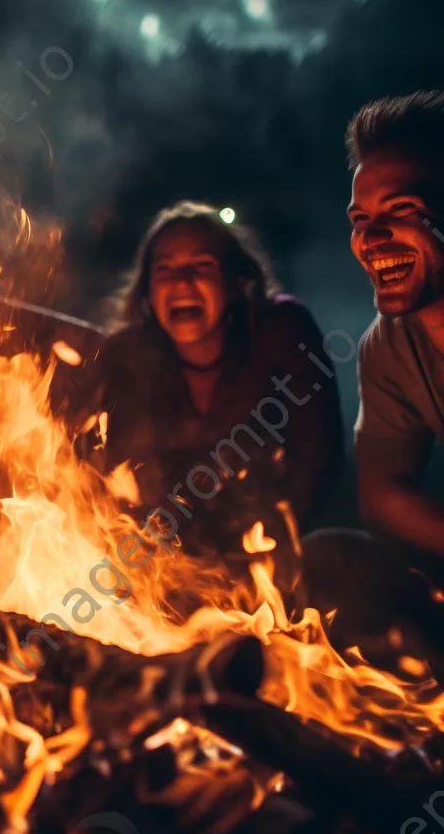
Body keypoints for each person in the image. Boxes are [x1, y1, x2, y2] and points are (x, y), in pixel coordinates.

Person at [84, 202, 344, 574]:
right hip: (162, 569)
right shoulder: (126, 359)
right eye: (165, 270)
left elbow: (317, 458)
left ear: (237, 282)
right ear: (147, 294)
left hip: (272, 558)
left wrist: (261, 546)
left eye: (202, 266)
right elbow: (115, 479)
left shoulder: (281, 331)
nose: (182, 282)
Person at [303, 90, 444, 667]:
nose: (371, 238)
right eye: (362, 220)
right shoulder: (388, 347)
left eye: (403, 211)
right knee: (329, 562)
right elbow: (383, 494)